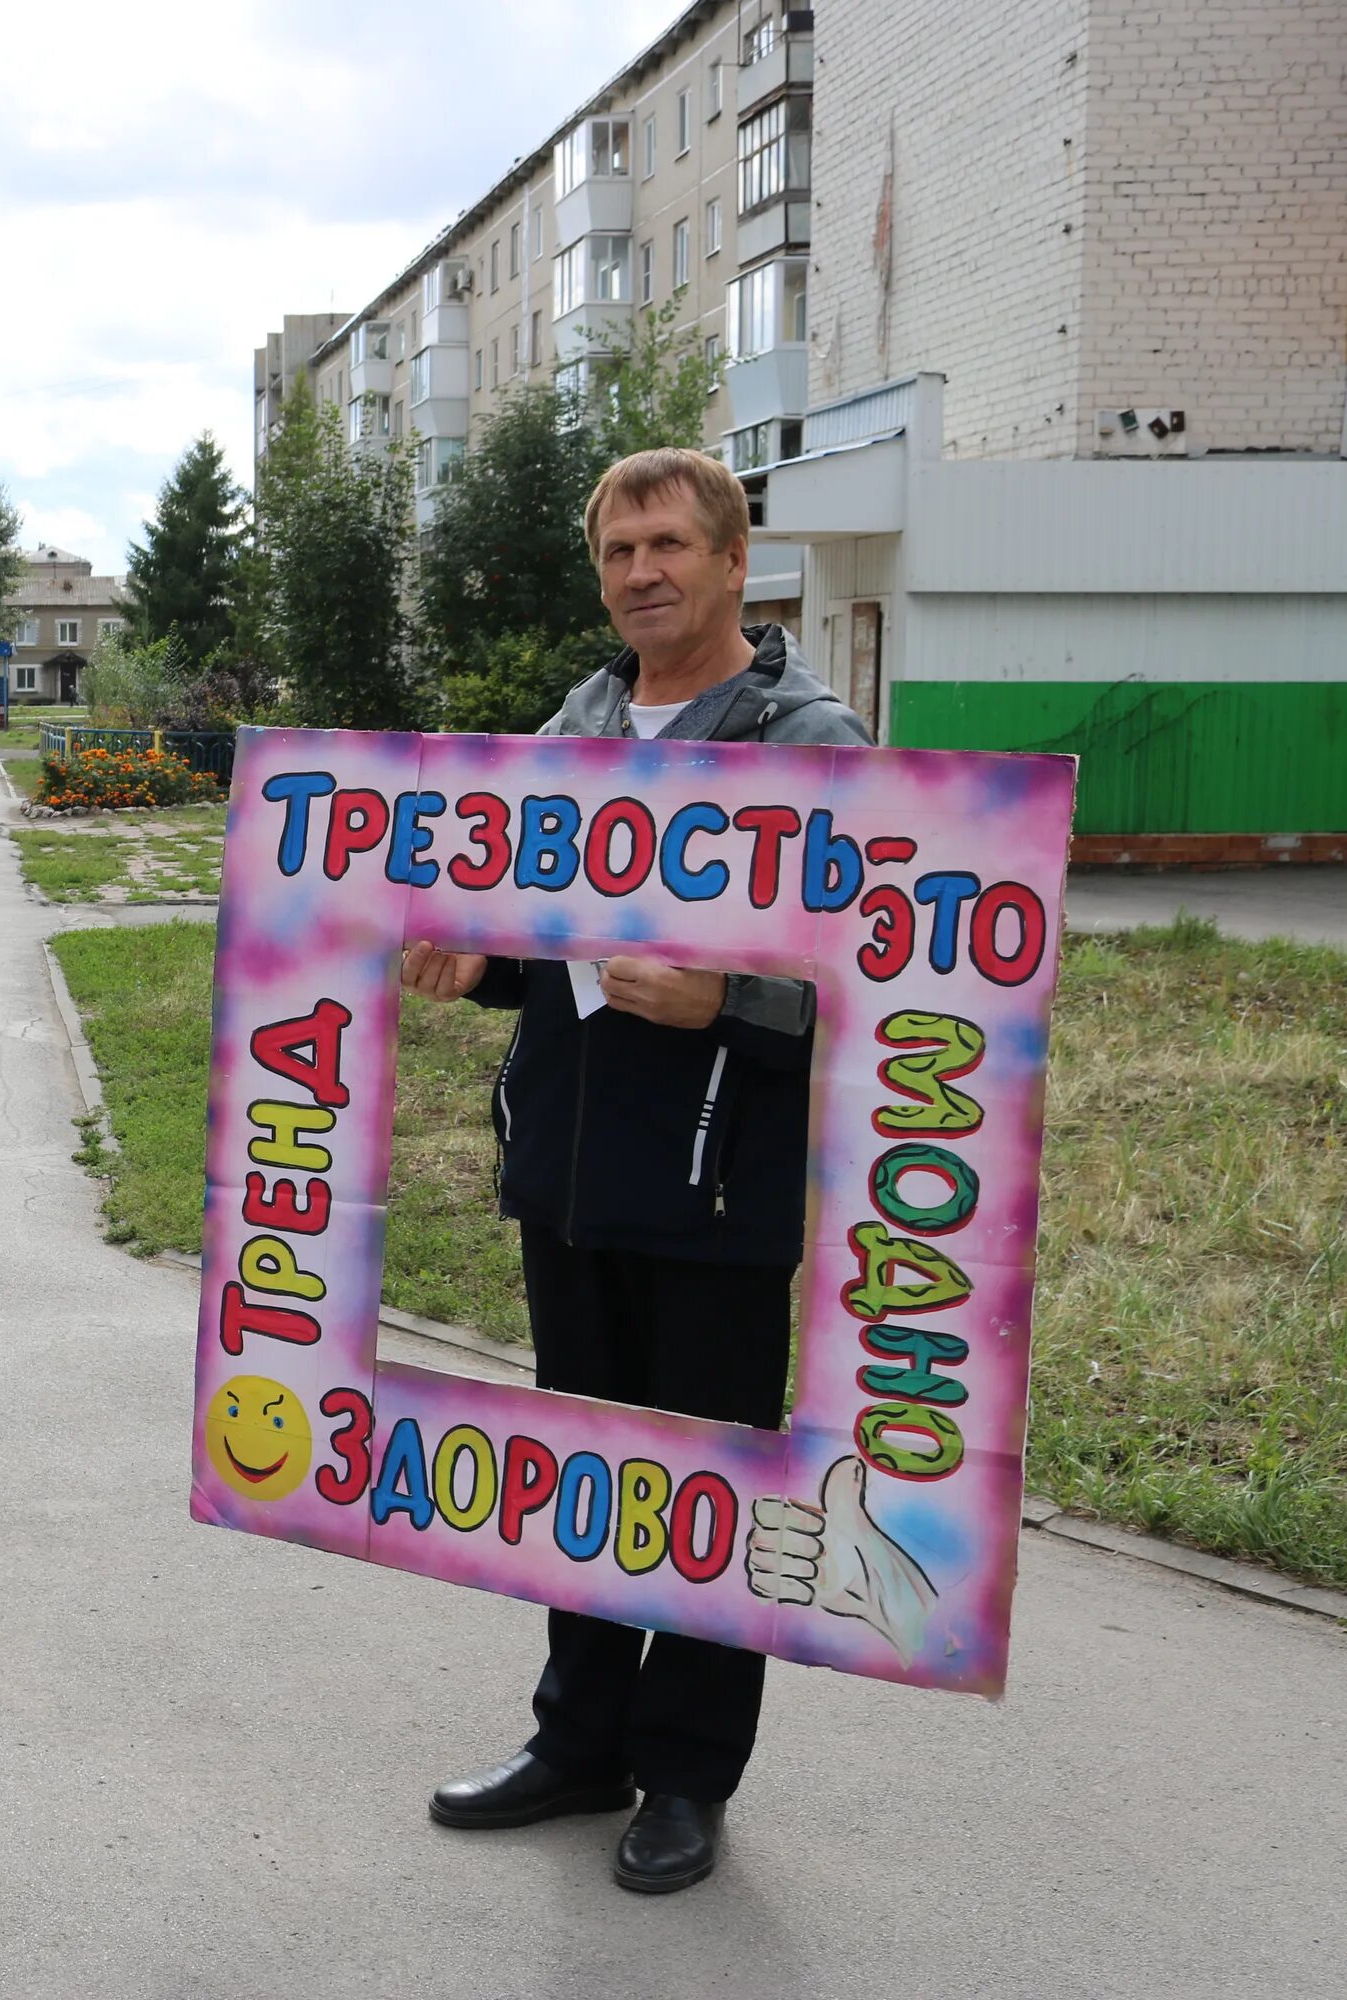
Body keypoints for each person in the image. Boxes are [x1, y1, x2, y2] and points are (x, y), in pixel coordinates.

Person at [401, 448, 873, 1894]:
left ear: (737, 561)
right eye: (619, 551)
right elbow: (545, 944)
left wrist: (733, 1003)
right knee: (586, 1476)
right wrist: (477, 963)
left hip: (720, 1183)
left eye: (670, 544)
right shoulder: (578, 724)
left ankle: (685, 1776)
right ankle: (579, 1741)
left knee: (713, 1482)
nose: (642, 573)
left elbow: (895, 989)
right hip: (573, 1170)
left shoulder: (811, 743)